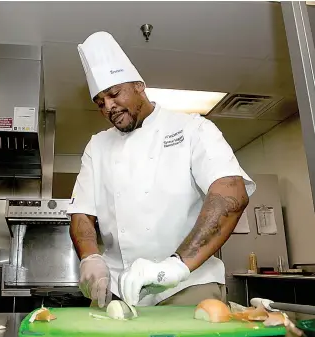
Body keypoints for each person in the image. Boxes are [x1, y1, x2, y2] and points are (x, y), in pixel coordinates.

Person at [66, 31, 255, 309]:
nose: (108, 106)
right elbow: (82, 213)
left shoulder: (193, 129)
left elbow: (231, 194)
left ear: (139, 86)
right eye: (99, 103)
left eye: (114, 93)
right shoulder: (98, 146)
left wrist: (176, 266)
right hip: (117, 287)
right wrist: (90, 258)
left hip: (188, 281)